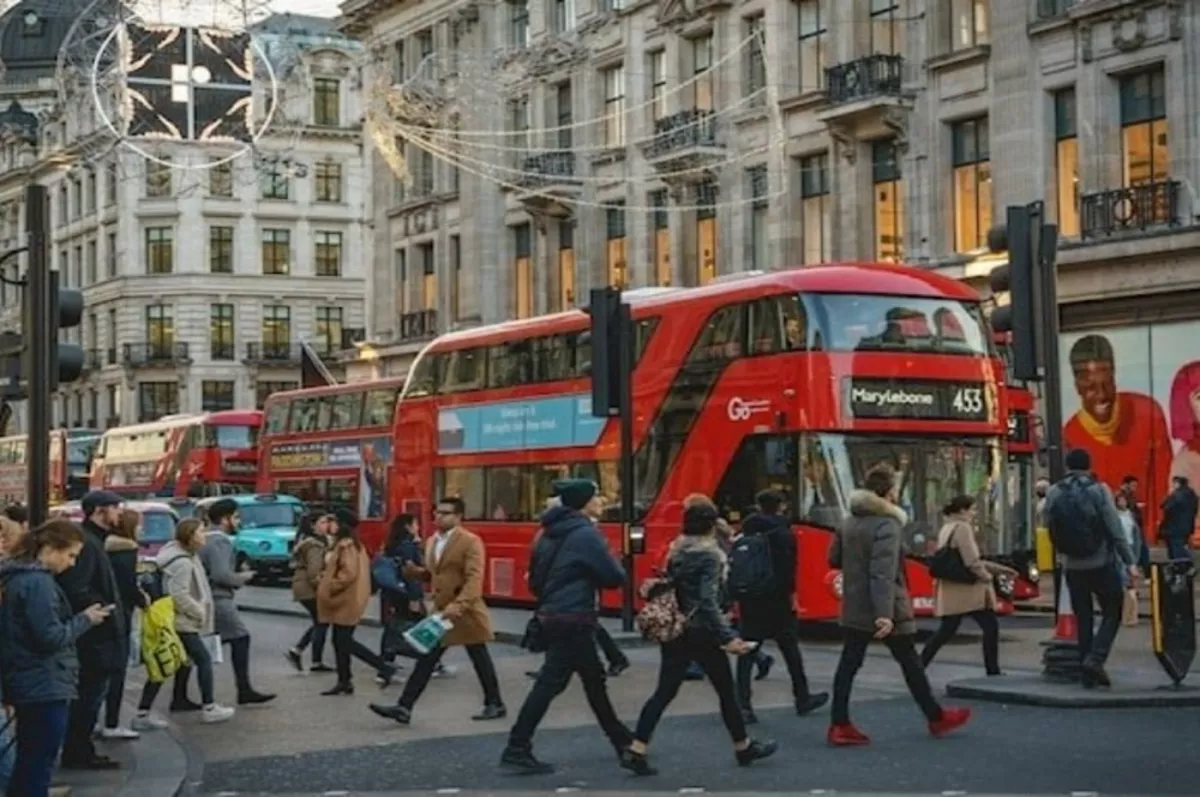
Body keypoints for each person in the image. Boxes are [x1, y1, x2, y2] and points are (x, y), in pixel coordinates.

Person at [620, 503, 777, 776]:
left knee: (664, 691)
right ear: (711, 525)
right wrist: (728, 636)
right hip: (700, 630)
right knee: (726, 692)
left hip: (676, 627)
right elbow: (707, 600)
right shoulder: (709, 555)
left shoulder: (676, 550)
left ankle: (637, 748)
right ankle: (743, 747)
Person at [826, 465, 970, 746]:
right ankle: (936, 717)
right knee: (910, 663)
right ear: (889, 492)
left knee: (849, 664)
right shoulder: (887, 525)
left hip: (855, 604)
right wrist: (884, 614)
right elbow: (883, 573)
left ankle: (839, 722)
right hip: (887, 607)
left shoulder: (847, 521)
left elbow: (834, 559)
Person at [500, 479, 632, 774]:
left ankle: (623, 741)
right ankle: (517, 746)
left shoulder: (546, 533)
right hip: (575, 618)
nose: (601, 501)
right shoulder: (586, 533)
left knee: (592, 681)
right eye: (596, 497)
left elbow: (535, 581)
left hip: (554, 615)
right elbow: (614, 576)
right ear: (584, 502)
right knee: (551, 684)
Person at [368, 497, 506, 725]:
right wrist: (417, 573)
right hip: (442, 611)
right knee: (427, 658)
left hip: (465, 611)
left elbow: (475, 578)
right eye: (437, 512)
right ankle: (404, 707)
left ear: (459, 517)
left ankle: (495, 703)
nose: (439, 517)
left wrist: (459, 605)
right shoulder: (432, 541)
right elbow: (435, 573)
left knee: (479, 656)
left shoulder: (470, 541)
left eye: (446, 513)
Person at [0, 519, 111, 797]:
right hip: (43, 682)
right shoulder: (38, 583)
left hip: (29, 679)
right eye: (70, 554)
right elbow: (49, 638)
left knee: (30, 759)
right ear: (50, 548)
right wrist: (85, 620)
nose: (72, 563)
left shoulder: (19, 578)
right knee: (39, 761)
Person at [1043, 449, 1138, 688]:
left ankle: (1088, 671)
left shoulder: (1054, 491)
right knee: (1113, 610)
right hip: (1100, 562)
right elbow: (1114, 528)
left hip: (1071, 565)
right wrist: (1130, 562)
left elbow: (1047, 524)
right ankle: (1095, 660)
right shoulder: (1099, 490)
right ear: (1088, 465)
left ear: (1067, 465)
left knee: (1083, 617)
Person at [731, 489, 827, 725]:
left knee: (747, 651)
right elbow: (788, 569)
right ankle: (802, 696)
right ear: (781, 506)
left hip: (751, 598)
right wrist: (791, 596)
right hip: (777, 599)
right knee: (790, 649)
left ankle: (743, 704)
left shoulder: (746, 530)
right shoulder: (783, 533)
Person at [1063, 334, 1173, 535]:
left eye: (1107, 384)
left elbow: (1162, 489)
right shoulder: (1069, 435)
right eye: (1091, 388)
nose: (1102, 395)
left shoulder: (1147, 412)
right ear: (1077, 386)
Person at [132, 519, 235, 727]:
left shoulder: (180, 555)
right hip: (182, 621)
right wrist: (199, 611)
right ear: (190, 535)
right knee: (202, 660)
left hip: (174, 619)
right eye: (200, 532)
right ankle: (209, 707)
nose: (204, 535)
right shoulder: (183, 562)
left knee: (172, 662)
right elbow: (178, 594)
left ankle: (155, 708)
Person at [55, 490, 127, 771]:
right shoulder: (87, 543)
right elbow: (77, 587)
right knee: (88, 697)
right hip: (94, 639)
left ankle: (80, 749)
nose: (119, 513)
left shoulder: (94, 540)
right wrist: (102, 611)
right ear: (99, 510)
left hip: (98, 636)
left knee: (91, 697)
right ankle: (78, 751)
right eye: (115, 508)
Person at [920, 495, 1018, 675]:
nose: (974, 513)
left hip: (954, 588)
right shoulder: (963, 528)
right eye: (972, 509)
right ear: (962, 510)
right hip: (969, 589)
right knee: (990, 627)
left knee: (946, 630)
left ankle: (919, 665)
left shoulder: (947, 528)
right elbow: (972, 561)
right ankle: (992, 670)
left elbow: (962, 559)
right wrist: (987, 577)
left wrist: (1000, 569)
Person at [197, 498, 275, 705]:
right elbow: (221, 574)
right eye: (236, 517)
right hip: (218, 599)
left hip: (206, 598)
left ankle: (179, 694)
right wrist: (243, 577)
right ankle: (244, 689)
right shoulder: (219, 540)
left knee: (198, 647)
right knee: (240, 637)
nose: (239, 522)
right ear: (225, 519)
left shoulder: (204, 537)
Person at [316, 515, 396, 695]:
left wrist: (328, 585)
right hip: (349, 598)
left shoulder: (347, 546)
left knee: (344, 641)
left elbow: (348, 574)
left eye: (333, 522)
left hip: (345, 599)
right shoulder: (353, 544)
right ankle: (344, 681)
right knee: (340, 641)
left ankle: (382, 666)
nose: (331, 526)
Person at [98, 508, 146, 740]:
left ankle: (100, 720)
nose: (142, 529)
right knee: (118, 668)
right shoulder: (127, 549)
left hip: (106, 611)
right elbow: (128, 585)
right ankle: (112, 722)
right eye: (139, 524)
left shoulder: (106, 546)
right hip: (121, 614)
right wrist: (143, 599)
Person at [377, 513, 428, 675]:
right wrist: (414, 597)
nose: (417, 527)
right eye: (415, 524)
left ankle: (386, 661)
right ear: (408, 526)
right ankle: (429, 661)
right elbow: (410, 572)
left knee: (394, 626)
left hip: (393, 591)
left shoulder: (391, 544)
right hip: (406, 592)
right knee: (422, 627)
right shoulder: (407, 545)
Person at [286, 513, 333, 673]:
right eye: (323, 521)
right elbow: (314, 573)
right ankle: (315, 660)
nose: (326, 525)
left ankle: (298, 651)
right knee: (322, 621)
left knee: (320, 621)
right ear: (313, 526)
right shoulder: (314, 545)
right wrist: (323, 588)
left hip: (302, 586)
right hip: (309, 588)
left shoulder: (310, 542)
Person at [1160, 476, 1198, 562]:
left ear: (1178, 483)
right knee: (1181, 546)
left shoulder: (1176, 495)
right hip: (1187, 526)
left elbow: (1165, 507)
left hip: (1173, 527)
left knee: (1176, 549)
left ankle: (1181, 566)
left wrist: (1169, 495)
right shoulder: (1192, 495)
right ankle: (1184, 565)